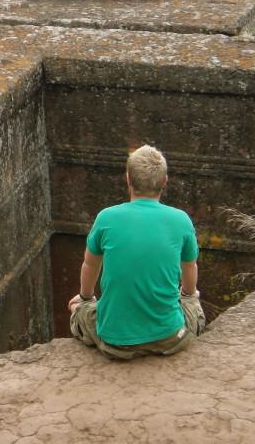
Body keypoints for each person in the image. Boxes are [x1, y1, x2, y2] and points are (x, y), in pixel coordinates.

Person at [69, 144, 206, 359]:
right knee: (192, 302)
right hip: (170, 337)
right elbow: (189, 266)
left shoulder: (106, 218)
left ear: (128, 179)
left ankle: (84, 310)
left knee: (79, 310)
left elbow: (90, 264)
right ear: (165, 181)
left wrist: (86, 298)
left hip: (115, 342)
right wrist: (188, 295)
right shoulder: (181, 220)